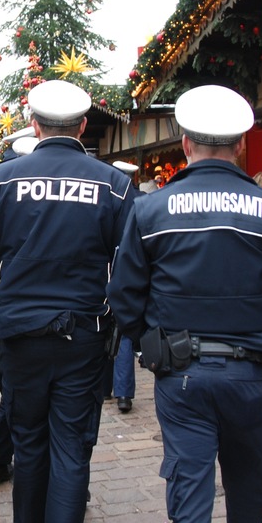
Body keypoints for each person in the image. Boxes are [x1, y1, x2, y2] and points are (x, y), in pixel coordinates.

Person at [108, 86, 262, 523]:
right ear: (242, 145)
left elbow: (124, 296)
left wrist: (148, 342)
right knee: (248, 491)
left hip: (181, 378)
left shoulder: (152, 211)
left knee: (190, 506)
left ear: (185, 144)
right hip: (249, 374)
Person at [0, 79, 134, 523]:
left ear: (34, 126)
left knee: (29, 441)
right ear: (82, 126)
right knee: (71, 447)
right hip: (82, 333)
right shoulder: (114, 185)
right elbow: (131, 261)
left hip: (19, 334)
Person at [108, 161, 140, 413]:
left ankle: (104, 386)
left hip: (105, 271)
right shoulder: (142, 201)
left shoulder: (108, 197)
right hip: (128, 274)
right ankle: (123, 393)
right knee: (123, 333)